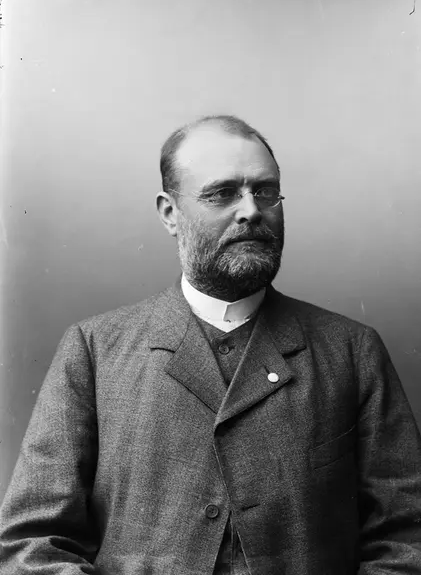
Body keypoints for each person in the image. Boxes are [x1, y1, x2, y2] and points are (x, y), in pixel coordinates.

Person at [1, 115, 421, 575]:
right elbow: (31, 544)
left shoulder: (352, 351)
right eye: (222, 193)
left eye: (265, 191)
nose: (251, 210)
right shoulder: (94, 351)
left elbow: (407, 538)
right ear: (170, 213)